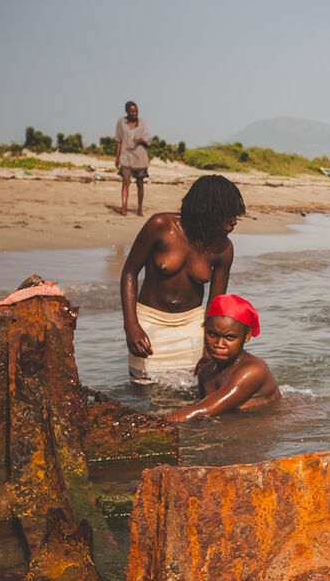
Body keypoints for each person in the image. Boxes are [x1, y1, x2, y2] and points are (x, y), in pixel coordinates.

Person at [120, 174, 243, 385]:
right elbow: (130, 272)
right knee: (142, 391)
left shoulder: (223, 248)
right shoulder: (160, 225)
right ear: (207, 211)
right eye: (226, 215)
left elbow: (215, 304)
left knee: (188, 394)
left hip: (192, 327)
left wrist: (208, 349)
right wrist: (131, 325)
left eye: (235, 216)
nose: (233, 222)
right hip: (149, 323)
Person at [165, 294, 279, 422]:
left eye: (229, 337)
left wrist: (160, 422)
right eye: (212, 334)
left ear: (246, 337)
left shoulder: (253, 371)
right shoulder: (205, 373)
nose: (219, 344)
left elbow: (203, 410)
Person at [114, 101, 151, 216]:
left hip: (139, 158)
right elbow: (119, 140)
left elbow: (148, 139)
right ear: (127, 111)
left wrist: (140, 140)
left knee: (140, 184)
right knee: (126, 182)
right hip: (125, 156)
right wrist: (117, 157)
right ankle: (124, 207)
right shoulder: (121, 122)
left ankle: (139, 209)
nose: (135, 113)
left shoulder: (142, 123)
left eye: (136, 111)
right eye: (132, 111)